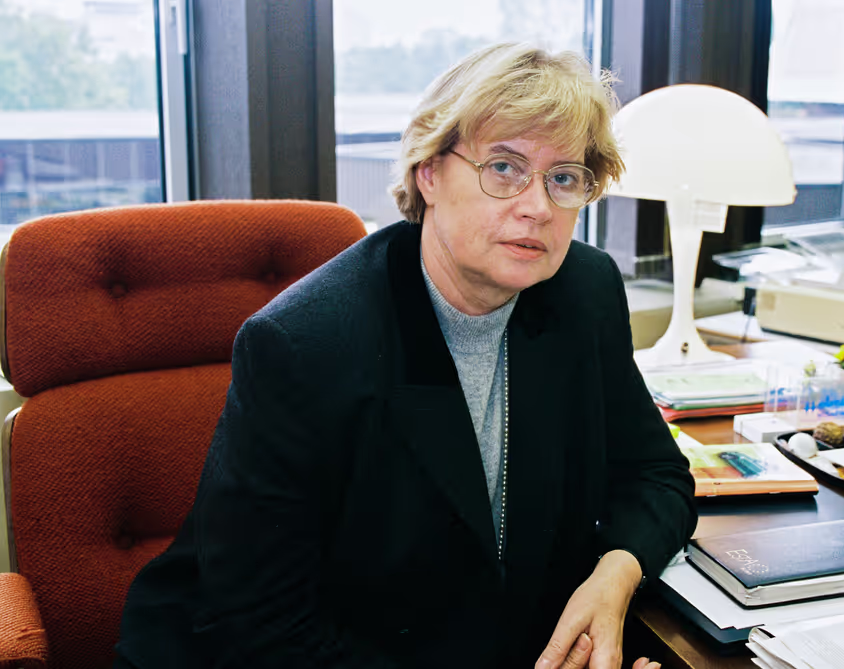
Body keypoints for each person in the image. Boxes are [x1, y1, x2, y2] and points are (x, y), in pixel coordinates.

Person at [115, 43, 697, 669]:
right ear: (429, 172)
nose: (536, 206)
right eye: (504, 167)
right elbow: (263, 626)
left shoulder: (584, 290)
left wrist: (614, 577)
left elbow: (656, 476)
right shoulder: (304, 344)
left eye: (563, 178)